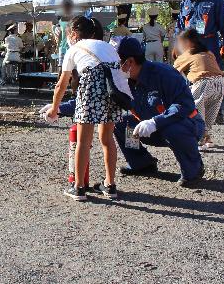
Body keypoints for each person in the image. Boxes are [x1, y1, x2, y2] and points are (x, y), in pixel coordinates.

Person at [45, 16, 126, 201]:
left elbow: (61, 84)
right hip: (112, 90)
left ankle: (79, 187)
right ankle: (110, 185)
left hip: (90, 88)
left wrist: (54, 108)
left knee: (83, 141)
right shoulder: (107, 46)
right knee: (107, 139)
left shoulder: (74, 49)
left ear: (73, 34)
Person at [114, 37, 205, 187]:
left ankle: (193, 169)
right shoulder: (124, 81)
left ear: (129, 62)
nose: (115, 67)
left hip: (186, 124)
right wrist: (60, 107)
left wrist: (156, 122)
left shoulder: (164, 73)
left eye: (117, 63)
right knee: (121, 123)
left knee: (172, 129)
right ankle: (141, 163)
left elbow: (185, 105)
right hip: (153, 129)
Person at [174, 28, 224, 150]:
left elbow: (172, 71)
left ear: (187, 42)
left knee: (194, 110)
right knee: (208, 113)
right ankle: (207, 137)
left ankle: (201, 137)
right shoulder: (208, 52)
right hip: (219, 83)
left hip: (203, 83)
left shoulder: (188, 54)